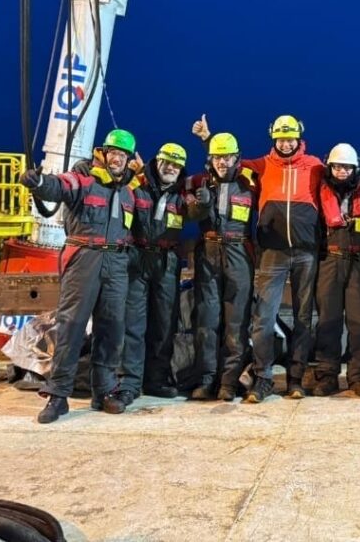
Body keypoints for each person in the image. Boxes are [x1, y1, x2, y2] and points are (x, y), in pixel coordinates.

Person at [192, 114, 323, 403]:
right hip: (272, 253)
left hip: (306, 253)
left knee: (303, 318)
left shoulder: (315, 166)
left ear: (299, 138)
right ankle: (263, 378)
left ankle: (296, 378)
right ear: (273, 138)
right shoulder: (261, 166)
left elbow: (337, 185)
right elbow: (226, 164)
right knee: (263, 318)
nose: (285, 144)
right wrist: (207, 140)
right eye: (280, 139)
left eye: (290, 138)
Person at [19, 128, 138, 423]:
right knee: (71, 326)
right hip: (84, 257)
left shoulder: (128, 191)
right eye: (113, 152)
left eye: (122, 155)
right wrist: (39, 183)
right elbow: (58, 187)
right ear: (103, 153)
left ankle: (104, 392)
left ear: (128, 160)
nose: (117, 159)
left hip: (116, 262)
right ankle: (58, 396)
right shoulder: (83, 179)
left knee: (112, 327)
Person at [185, 132, 257, 401]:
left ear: (236, 158)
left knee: (236, 321)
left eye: (227, 157)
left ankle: (229, 382)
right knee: (206, 319)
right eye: (217, 157)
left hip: (239, 252)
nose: (222, 162)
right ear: (210, 159)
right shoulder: (198, 182)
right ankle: (206, 380)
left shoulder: (250, 182)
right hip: (208, 252)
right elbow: (164, 183)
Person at [116, 142, 189, 403]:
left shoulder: (183, 193)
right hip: (137, 259)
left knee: (164, 323)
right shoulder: (138, 185)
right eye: (166, 162)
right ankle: (130, 382)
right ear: (156, 162)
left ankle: (156, 380)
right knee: (133, 323)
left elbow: (199, 209)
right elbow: (115, 189)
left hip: (167, 262)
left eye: (176, 165)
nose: (170, 168)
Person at [313, 143, 360, 397]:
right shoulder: (318, 192)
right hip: (329, 260)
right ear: (330, 167)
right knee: (328, 321)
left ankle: (359, 376)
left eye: (347, 167)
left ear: (356, 169)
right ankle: (327, 374)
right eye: (338, 166)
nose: (342, 171)